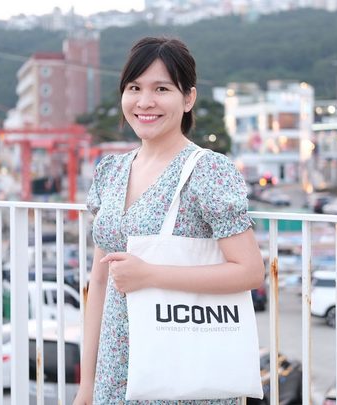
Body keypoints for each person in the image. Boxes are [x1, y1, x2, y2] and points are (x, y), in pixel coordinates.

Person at [74, 37, 265, 405]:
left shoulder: (207, 170)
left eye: (161, 88)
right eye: (134, 88)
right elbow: (99, 282)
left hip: (182, 372)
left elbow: (250, 271)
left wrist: (151, 275)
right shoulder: (111, 172)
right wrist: (88, 385)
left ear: (188, 98)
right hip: (116, 374)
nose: (145, 102)